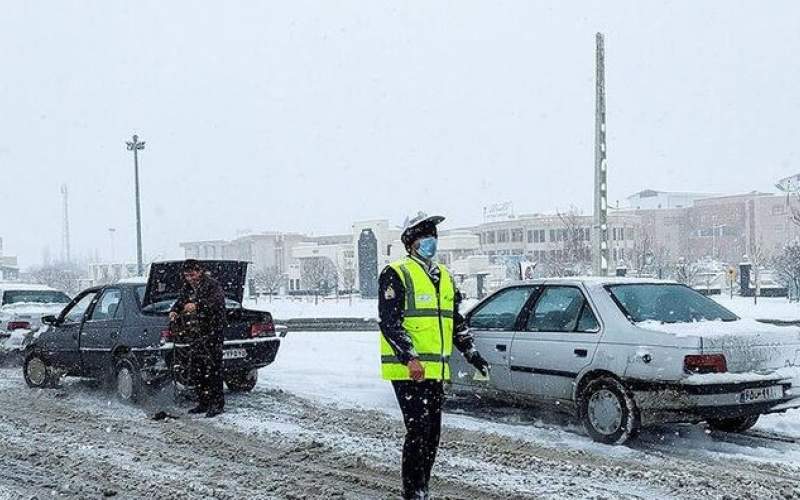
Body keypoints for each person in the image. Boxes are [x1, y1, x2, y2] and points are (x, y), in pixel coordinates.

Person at [379, 212, 490, 500]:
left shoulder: (445, 276)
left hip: (435, 370)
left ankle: (422, 488)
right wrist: (410, 357)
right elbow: (390, 322)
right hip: (408, 370)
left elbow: (455, 320)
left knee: (432, 435)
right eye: (424, 238)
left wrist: (471, 352)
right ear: (411, 243)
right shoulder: (396, 272)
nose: (431, 243)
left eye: (433, 238)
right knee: (418, 432)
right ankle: (413, 493)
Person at [169, 259, 227, 418]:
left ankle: (217, 404)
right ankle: (203, 402)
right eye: (187, 275)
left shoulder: (212, 285)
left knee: (213, 369)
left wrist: (198, 305)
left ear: (199, 271)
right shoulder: (187, 288)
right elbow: (180, 303)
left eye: (192, 274)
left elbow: (217, 303)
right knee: (197, 369)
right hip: (194, 333)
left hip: (212, 332)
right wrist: (175, 310)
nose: (190, 278)